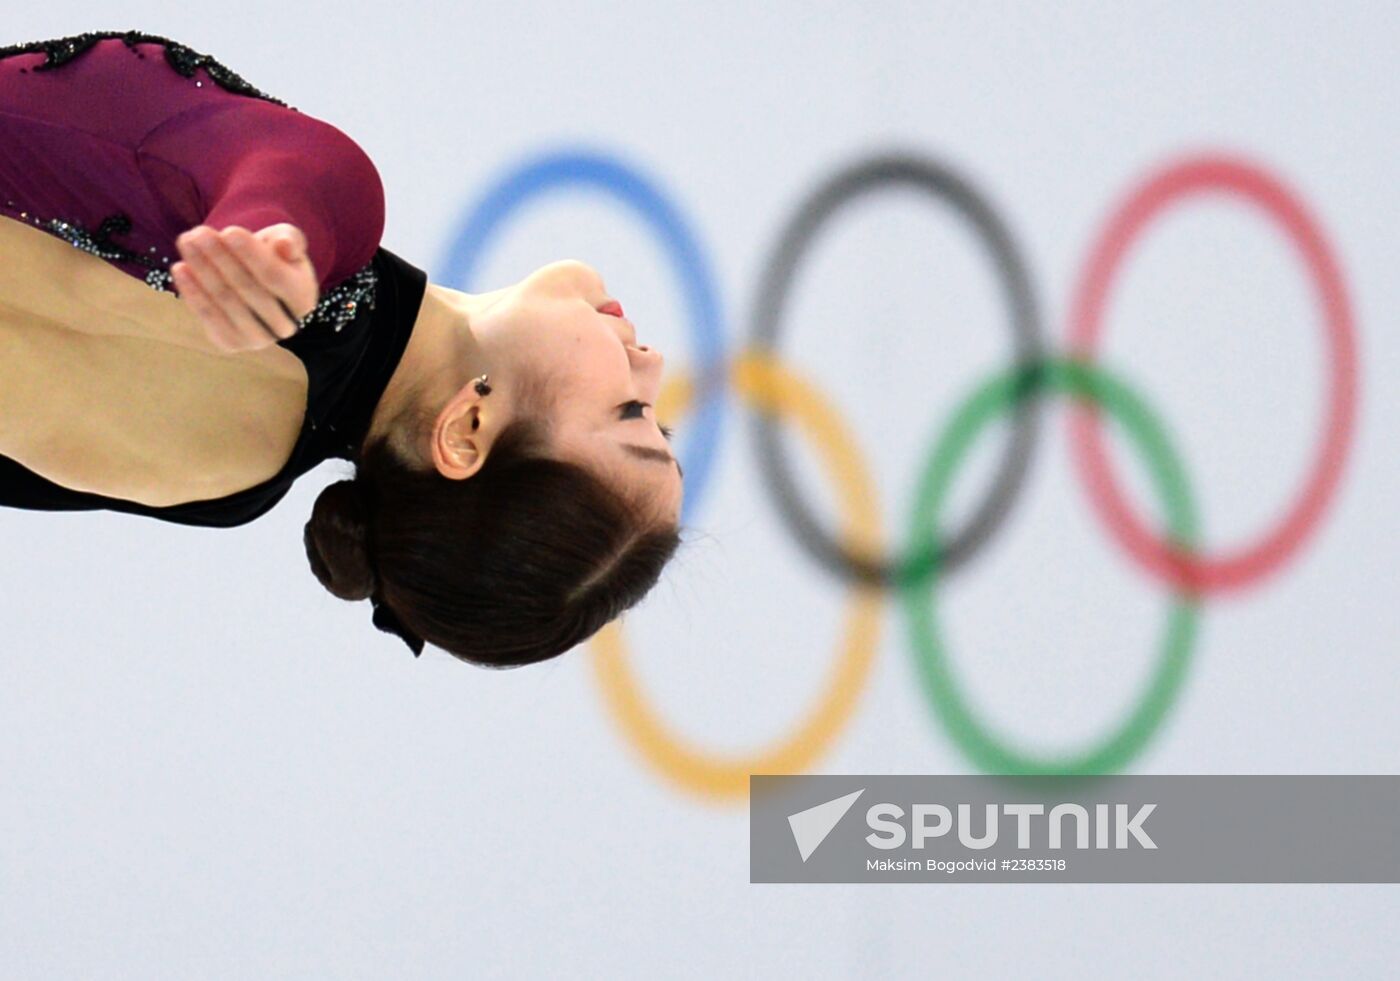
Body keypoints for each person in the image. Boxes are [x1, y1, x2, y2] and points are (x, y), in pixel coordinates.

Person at [0, 30, 684, 666]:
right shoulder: (222, 488)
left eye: (630, 414)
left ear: (468, 431)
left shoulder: (330, 240)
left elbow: (283, 187)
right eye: (665, 422)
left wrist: (269, 243)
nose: (652, 362)